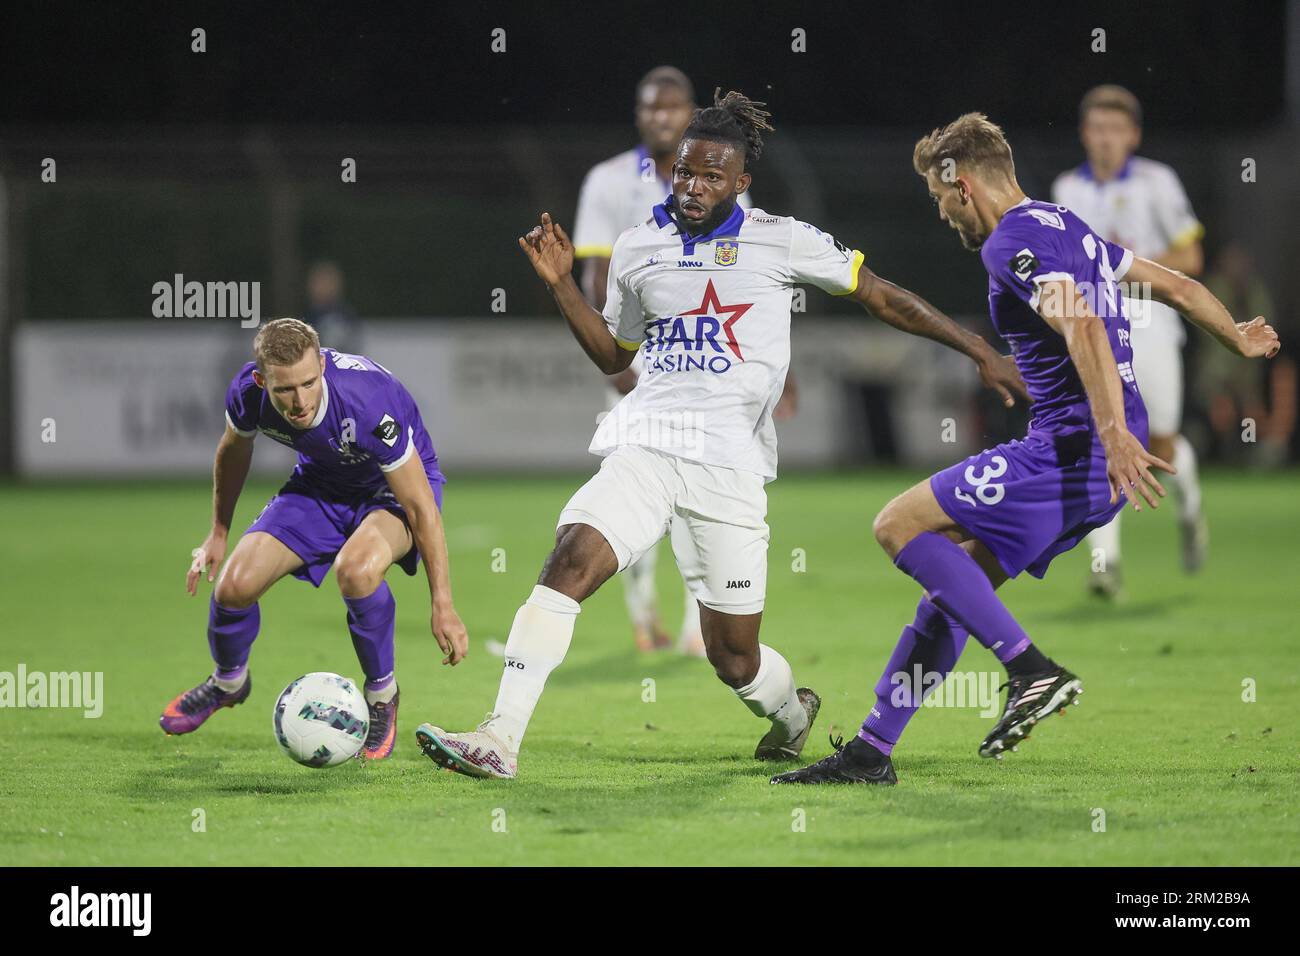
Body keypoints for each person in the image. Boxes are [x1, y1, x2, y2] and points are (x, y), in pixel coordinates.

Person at [415, 92, 1028, 780]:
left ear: (741, 182)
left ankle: (792, 714)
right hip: (647, 442)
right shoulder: (638, 246)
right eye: (685, 172)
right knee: (570, 562)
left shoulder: (780, 238)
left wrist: (976, 348)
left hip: (730, 467)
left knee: (733, 657)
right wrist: (562, 288)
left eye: (712, 176)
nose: (694, 186)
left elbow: (880, 294)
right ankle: (499, 738)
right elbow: (616, 356)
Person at [773, 113, 1279, 786]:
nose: (946, 216)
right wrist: (1237, 337)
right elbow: (1180, 287)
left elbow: (1083, 326)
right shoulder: (1066, 223)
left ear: (964, 186)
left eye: (941, 199)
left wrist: (1113, 436)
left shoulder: (1009, 244)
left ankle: (1030, 670)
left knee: (897, 524)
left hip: (1070, 452)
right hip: (1088, 464)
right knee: (955, 589)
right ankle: (870, 752)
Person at [160, 318, 469, 760]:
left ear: (322, 365)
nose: (300, 401)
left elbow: (420, 507)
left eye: (309, 383)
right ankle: (228, 683)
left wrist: (442, 603)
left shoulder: (367, 401)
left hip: (393, 489)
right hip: (320, 485)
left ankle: (382, 696)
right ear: (261, 380)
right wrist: (219, 533)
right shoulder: (247, 396)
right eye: (285, 390)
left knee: (356, 571)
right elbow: (233, 449)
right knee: (233, 586)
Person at [573, 65, 752, 656]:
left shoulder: (719, 174)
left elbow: (753, 277)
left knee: (705, 490)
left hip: (706, 358)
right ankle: (644, 616)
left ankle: (704, 617)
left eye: (672, 108)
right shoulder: (606, 181)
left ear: (690, 111)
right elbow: (595, 271)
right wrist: (618, 355)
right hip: (636, 357)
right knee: (633, 488)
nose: (661, 118)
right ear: (638, 115)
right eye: (651, 109)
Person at [1053, 85, 1208, 597]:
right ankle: (1105, 563)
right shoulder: (1066, 190)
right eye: (1097, 129)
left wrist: (1127, 269)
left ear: (1133, 135)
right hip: (1096, 327)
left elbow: (1191, 261)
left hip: (1152, 322)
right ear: (1084, 134)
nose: (1105, 140)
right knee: (1107, 434)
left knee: (1160, 443)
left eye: (1116, 129)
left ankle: (1189, 510)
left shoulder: (1157, 182)